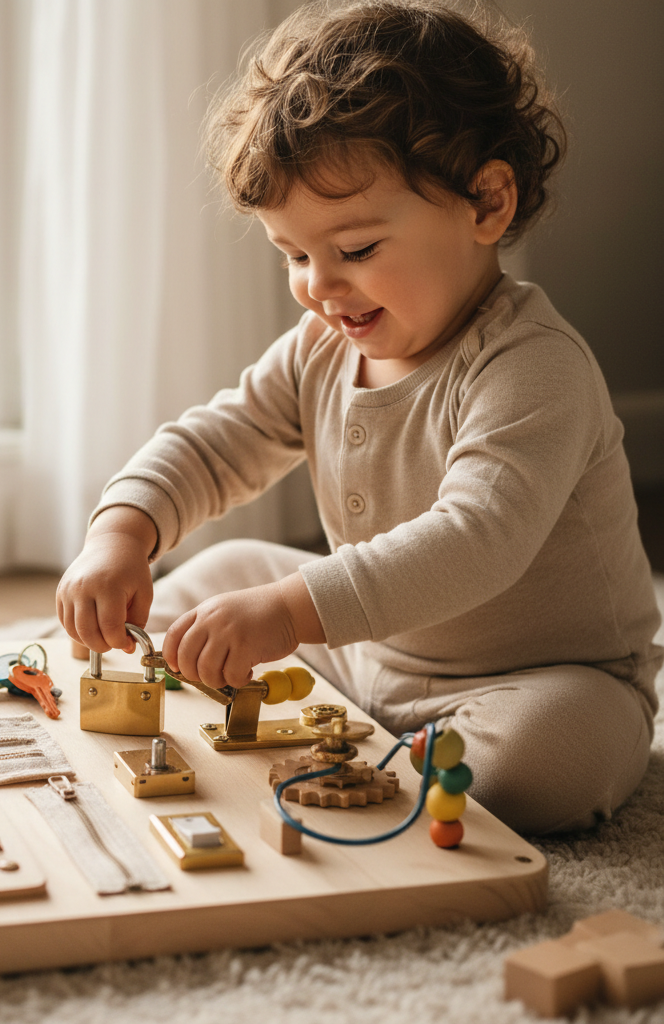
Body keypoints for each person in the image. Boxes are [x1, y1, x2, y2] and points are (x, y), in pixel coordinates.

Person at [55, 0, 661, 834]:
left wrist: (291, 611)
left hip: (541, 674)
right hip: (368, 651)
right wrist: (122, 533)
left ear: (487, 202)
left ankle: (390, 749)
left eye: (357, 250)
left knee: (542, 763)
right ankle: (377, 733)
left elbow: (476, 537)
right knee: (217, 577)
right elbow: (217, 440)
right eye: (295, 255)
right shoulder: (320, 346)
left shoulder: (534, 366)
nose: (318, 287)